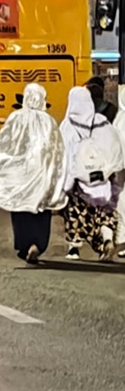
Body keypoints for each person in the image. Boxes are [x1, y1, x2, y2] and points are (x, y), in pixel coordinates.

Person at [0, 82, 66, 261]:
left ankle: (25, 245)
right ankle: (38, 244)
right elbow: (57, 149)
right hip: (42, 173)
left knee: (20, 208)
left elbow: (6, 143)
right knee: (41, 209)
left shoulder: (16, 117)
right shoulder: (49, 121)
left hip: (20, 172)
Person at [57, 84, 122, 260]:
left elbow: (64, 153)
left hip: (79, 180)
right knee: (105, 211)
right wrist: (108, 170)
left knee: (76, 214)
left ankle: (73, 248)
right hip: (102, 177)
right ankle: (107, 239)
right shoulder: (101, 120)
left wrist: (65, 182)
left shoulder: (68, 124)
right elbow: (113, 147)